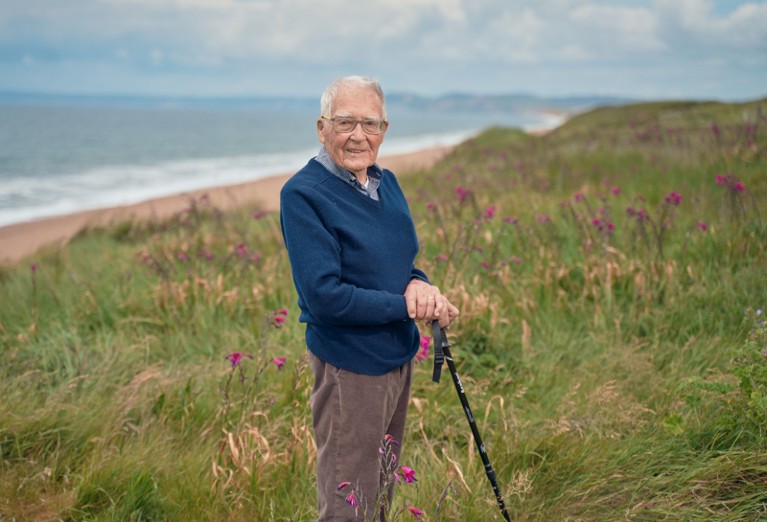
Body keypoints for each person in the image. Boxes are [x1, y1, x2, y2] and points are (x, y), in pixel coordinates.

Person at [279, 75, 459, 521]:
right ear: (322, 128)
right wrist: (407, 307)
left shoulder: (388, 183)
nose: (358, 135)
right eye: (345, 122)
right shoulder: (303, 194)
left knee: (378, 495)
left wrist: (419, 283)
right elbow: (325, 298)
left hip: (396, 358)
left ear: (384, 129)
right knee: (348, 505)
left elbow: (400, 261)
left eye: (370, 123)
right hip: (351, 368)